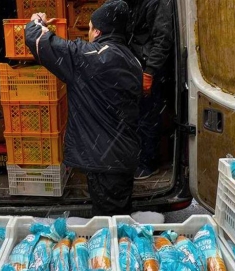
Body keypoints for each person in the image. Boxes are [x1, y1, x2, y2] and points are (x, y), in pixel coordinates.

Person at [24, 0, 142, 216]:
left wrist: (36, 21)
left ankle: (113, 245)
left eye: (89, 27)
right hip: (122, 156)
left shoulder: (88, 57)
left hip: (104, 160)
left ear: (97, 31)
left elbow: (40, 41)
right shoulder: (133, 60)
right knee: (119, 213)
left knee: (109, 222)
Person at [125, 0, 174, 180]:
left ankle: (148, 163)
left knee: (148, 116)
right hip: (134, 64)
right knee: (136, 116)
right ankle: (138, 159)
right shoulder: (130, 4)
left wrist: (150, 70)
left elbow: (163, 38)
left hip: (149, 67)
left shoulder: (158, 2)